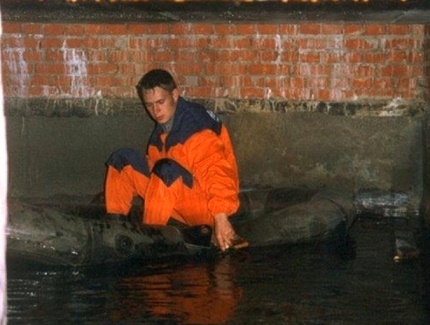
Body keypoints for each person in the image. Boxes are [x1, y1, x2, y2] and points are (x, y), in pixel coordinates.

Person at [104, 69, 241, 251]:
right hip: (174, 198)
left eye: (160, 102)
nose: (155, 110)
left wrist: (221, 218)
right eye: (150, 105)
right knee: (122, 159)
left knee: (166, 169)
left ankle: (148, 241)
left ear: (175, 95)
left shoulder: (196, 126)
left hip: (205, 207)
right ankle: (114, 228)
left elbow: (216, 170)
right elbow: (153, 175)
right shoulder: (161, 131)